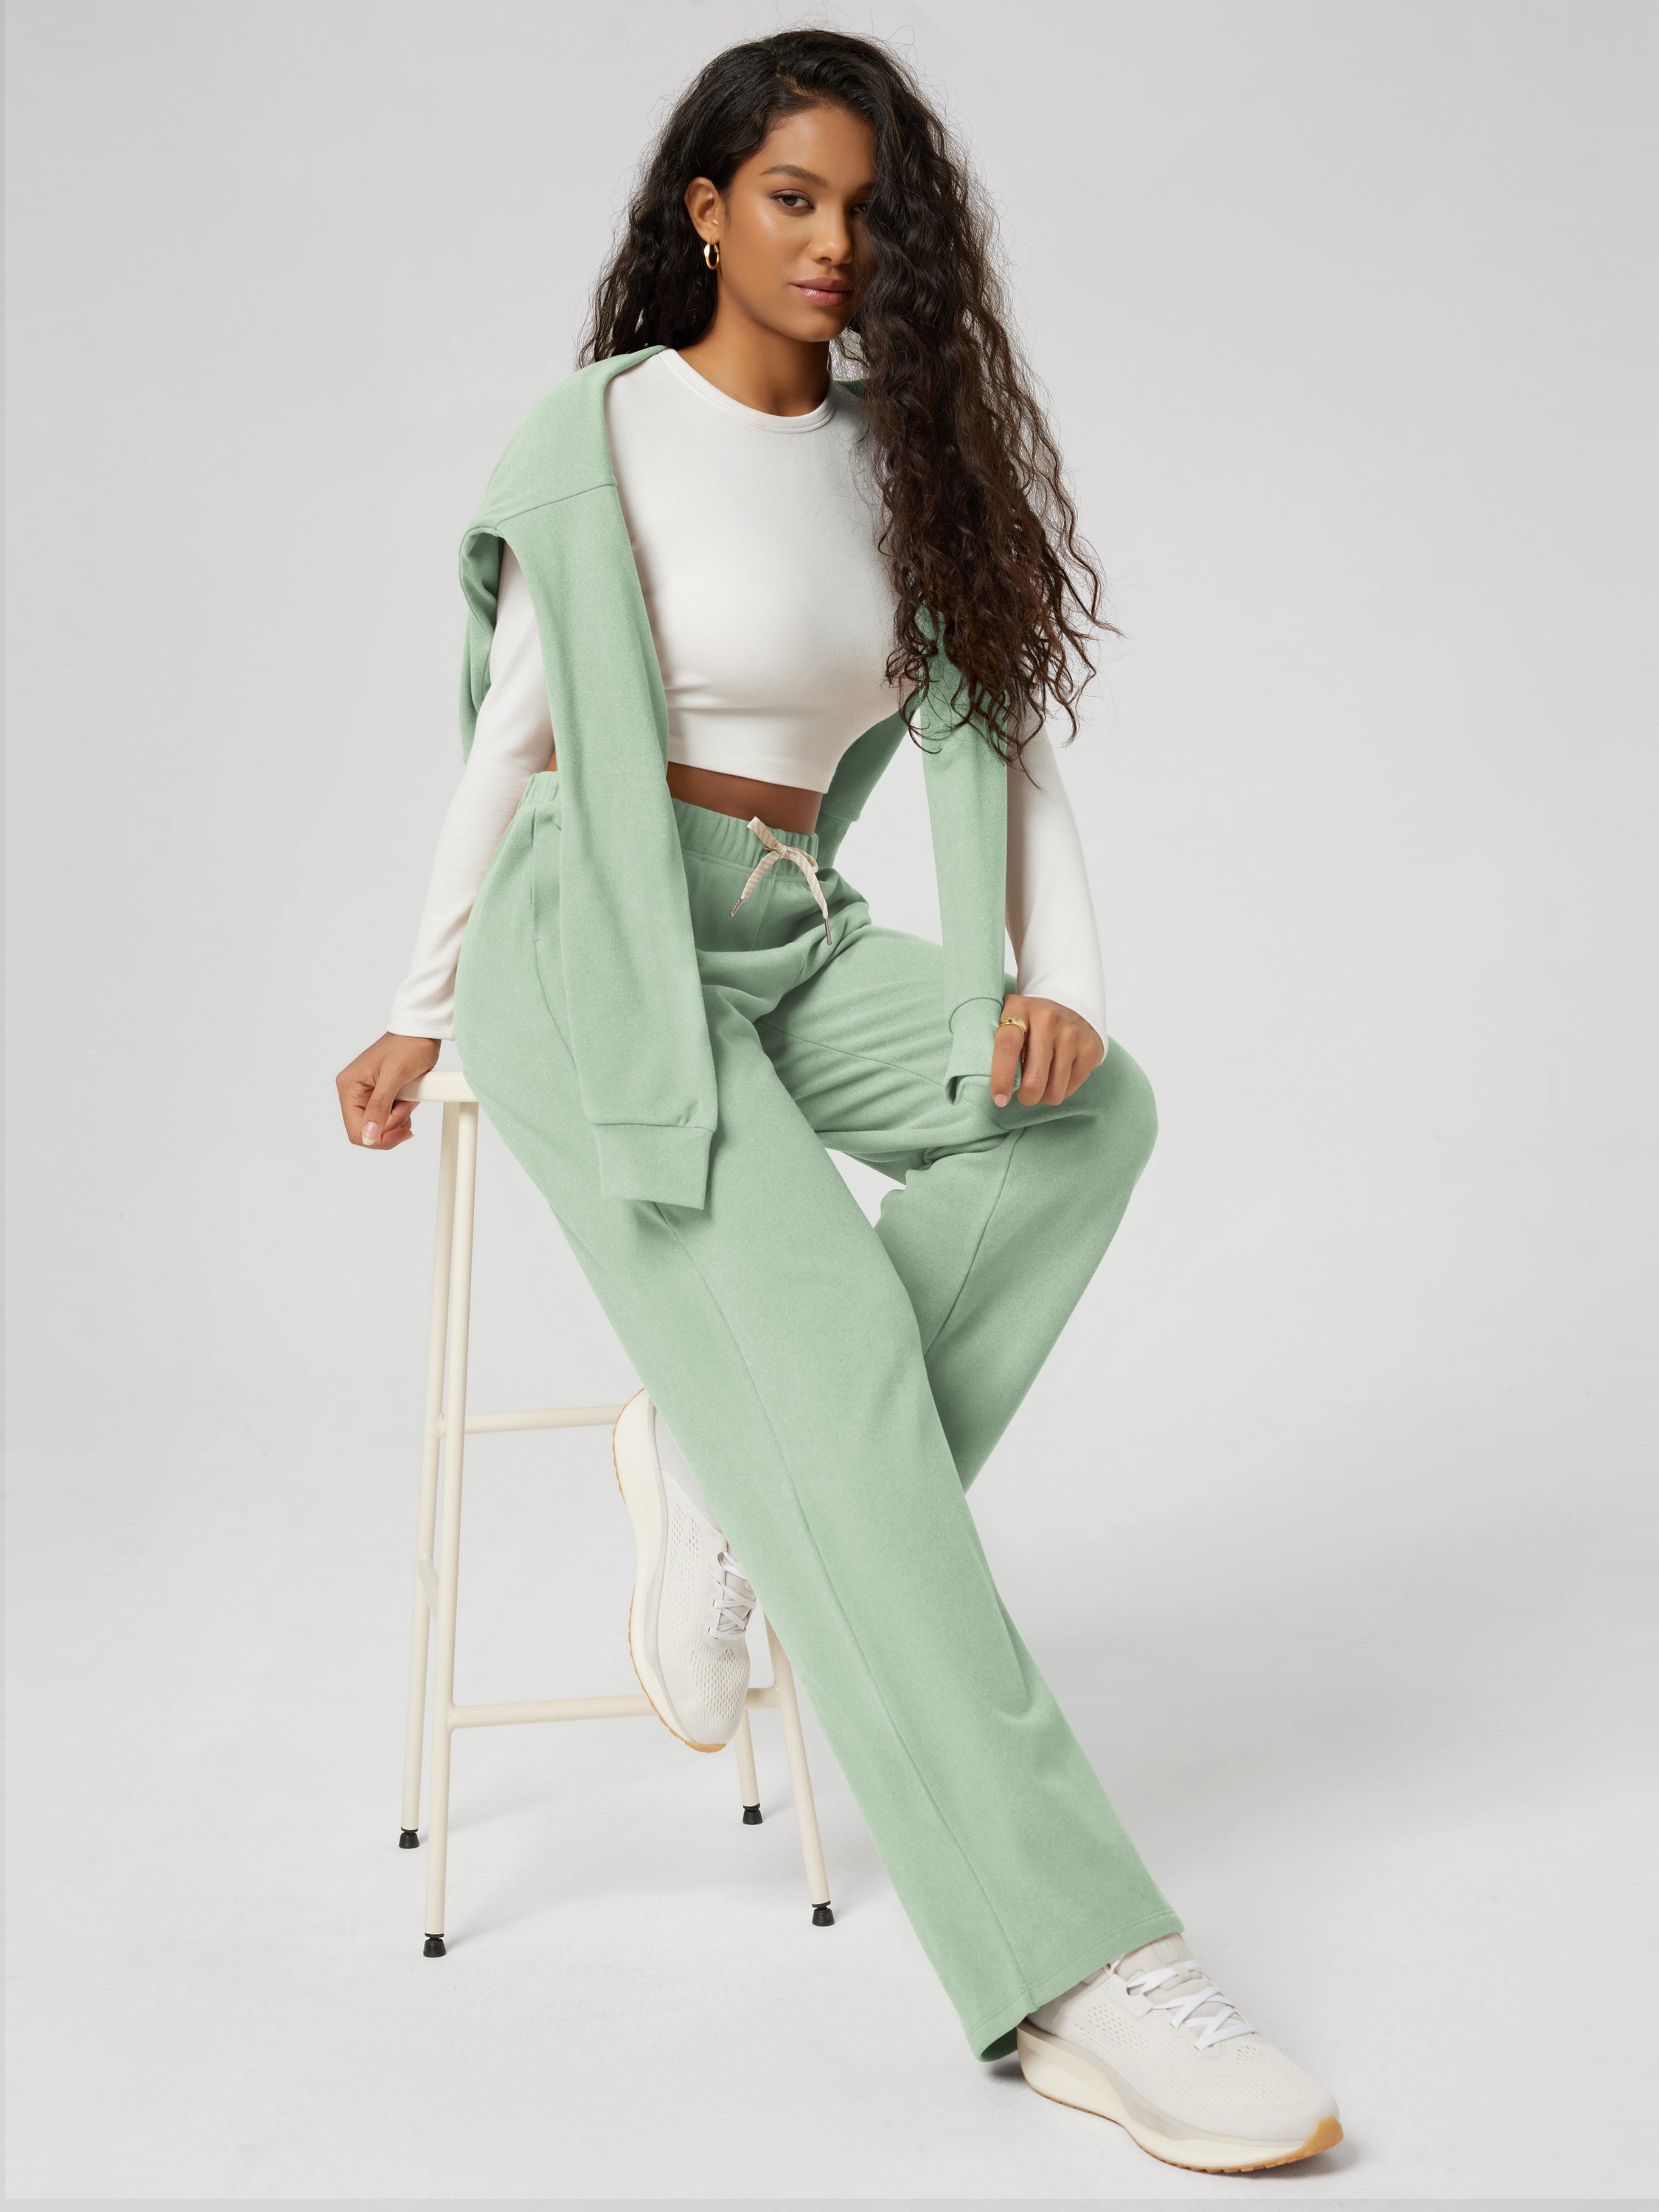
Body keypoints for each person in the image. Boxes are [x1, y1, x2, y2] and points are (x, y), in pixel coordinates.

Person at [335, 28, 1343, 2177]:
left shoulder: (909, 459)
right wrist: (414, 1008)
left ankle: (725, 1480)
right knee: (858, 1424)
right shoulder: (602, 432)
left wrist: (1054, 990)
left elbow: (1010, 748)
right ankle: (1079, 1967)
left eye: (870, 210)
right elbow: (516, 736)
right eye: (791, 197)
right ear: (704, 210)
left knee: (1083, 1122)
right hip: (592, 940)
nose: (832, 242)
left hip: (788, 926)